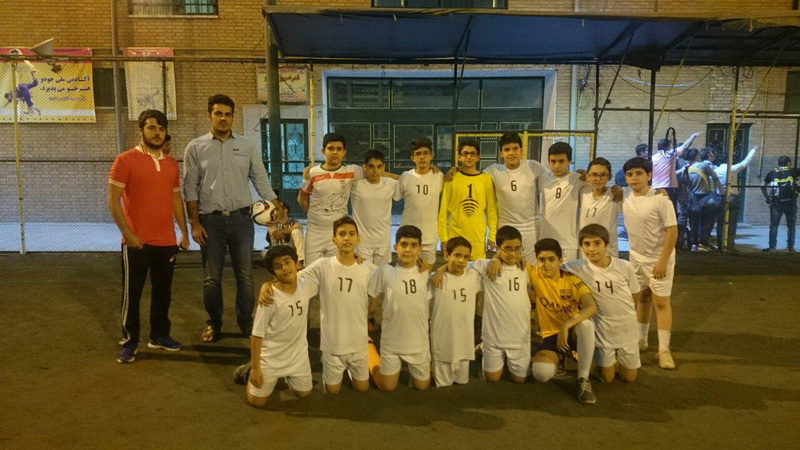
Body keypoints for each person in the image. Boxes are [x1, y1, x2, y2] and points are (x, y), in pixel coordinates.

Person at [183, 94, 278, 343]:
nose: (223, 118)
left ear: (233, 117)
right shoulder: (196, 147)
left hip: (241, 221)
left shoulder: (246, 146)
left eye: (228, 114)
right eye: (218, 113)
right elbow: (190, 188)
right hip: (210, 222)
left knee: (245, 276)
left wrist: (277, 204)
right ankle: (213, 324)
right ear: (209, 115)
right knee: (211, 278)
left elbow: (260, 178)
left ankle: (246, 324)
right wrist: (194, 223)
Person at [108, 109, 189, 363]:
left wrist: (183, 232)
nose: (157, 133)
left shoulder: (171, 163)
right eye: (152, 127)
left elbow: (175, 199)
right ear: (141, 130)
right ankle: (129, 341)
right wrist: (128, 234)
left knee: (163, 293)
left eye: (161, 129)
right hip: (137, 242)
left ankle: (159, 336)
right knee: (132, 295)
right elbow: (113, 201)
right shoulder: (125, 160)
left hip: (166, 241)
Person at [262, 216, 378, 394]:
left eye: (351, 234)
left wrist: (370, 311)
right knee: (332, 391)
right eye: (342, 234)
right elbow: (293, 278)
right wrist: (268, 284)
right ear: (334, 239)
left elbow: (387, 282)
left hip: (358, 343)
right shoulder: (322, 266)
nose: (347, 238)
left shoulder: (369, 268)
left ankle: (367, 347)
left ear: (358, 238)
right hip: (332, 345)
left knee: (362, 388)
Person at [564, 224, 642, 383]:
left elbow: (635, 295)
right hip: (603, 331)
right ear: (581, 246)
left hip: (627, 329)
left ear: (607, 245)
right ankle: (587, 358)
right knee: (607, 378)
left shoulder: (624, 266)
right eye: (586, 244)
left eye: (597, 243)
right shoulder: (576, 268)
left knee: (629, 378)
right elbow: (550, 268)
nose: (592, 249)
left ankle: (614, 361)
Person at [622, 157, 679, 369]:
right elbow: (600, 186)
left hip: (658, 260)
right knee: (642, 299)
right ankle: (641, 339)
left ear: (649, 175)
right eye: (630, 174)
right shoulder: (624, 195)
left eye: (639, 173)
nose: (634, 178)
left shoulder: (661, 200)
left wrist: (662, 261)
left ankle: (664, 350)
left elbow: (672, 231)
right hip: (636, 258)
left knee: (661, 303)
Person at [527, 238, 598, 404]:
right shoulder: (534, 274)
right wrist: (495, 260)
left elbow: (591, 307)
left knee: (586, 325)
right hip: (550, 335)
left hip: (573, 332)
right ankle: (561, 358)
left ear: (560, 260)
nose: (546, 265)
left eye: (551, 259)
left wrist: (565, 326)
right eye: (541, 260)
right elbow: (512, 256)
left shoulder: (572, 280)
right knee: (541, 373)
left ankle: (583, 379)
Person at [246, 245, 314, 406]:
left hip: (298, 357)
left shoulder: (307, 284)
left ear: (297, 263)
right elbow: (256, 335)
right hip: (271, 359)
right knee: (256, 402)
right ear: (273, 273)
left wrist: (355, 257)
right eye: (278, 266)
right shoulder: (269, 297)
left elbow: (332, 267)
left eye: (287, 262)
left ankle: (287, 376)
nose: (284, 268)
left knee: (304, 394)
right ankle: (248, 371)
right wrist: (256, 368)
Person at [367, 225, 432, 392]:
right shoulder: (385, 271)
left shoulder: (426, 273)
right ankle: (369, 349)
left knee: (422, 386)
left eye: (413, 245)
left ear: (420, 249)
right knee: (387, 387)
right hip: (392, 343)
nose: (408, 249)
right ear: (396, 247)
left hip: (418, 343)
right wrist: (368, 317)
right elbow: (372, 295)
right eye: (404, 245)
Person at [471, 226, 531, 384]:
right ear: (498, 249)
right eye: (508, 249)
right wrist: (495, 259)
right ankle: (484, 348)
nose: (513, 253)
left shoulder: (525, 268)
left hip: (519, 337)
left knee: (519, 380)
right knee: (492, 379)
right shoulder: (487, 266)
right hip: (494, 337)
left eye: (517, 248)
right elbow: (461, 265)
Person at [485, 132, 552, 264]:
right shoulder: (493, 171)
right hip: (506, 228)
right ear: (501, 154)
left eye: (515, 148)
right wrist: (456, 170)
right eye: (507, 150)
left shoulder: (533, 166)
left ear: (522, 150)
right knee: (507, 269)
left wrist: (576, 175)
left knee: (530, 269)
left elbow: (555, 179)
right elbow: (473, 177)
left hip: (531, 229)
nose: (511, 153)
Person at [299, 133, 364, 265]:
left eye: (339, 149)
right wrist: (314, 214)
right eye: (330, 148)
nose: (335, 152)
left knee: (335, 271)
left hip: (338, 233)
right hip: (315, 232)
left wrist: (402, 178)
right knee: (312, 272)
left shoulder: (353, 171)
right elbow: (301, 198)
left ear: (344, 152)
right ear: (323, 151)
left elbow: (375, 173)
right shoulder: (312, 173)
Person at [429, 237, 482, 388]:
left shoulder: (473, 276)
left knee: (462, 383)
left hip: (464, 339)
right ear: (447, 255)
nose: (461, 260)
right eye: (457, 255)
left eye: (466, 257)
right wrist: (440, 270)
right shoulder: (435, 279)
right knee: (444, 386)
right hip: (442, 338)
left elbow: (487, 264)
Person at [438, 139, 498, 260]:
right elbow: (443, 212)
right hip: (455, 238)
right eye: (465, 153)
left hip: (477, 240)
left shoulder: (485, 179)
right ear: (459, 157)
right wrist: (443, 239)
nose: (469, 157)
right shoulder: (451, 178)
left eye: (472, 154)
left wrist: (492, 236)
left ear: (478, 157)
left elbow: (492, 211)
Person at [397, 138, 444, 265]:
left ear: (432, 156)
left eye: (426, 153)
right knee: (407, 272)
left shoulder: (439, 176)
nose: (422, 157)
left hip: (429, 236)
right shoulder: (405, 177)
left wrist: (454, 169)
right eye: (418, 154)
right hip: (408, 237)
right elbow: (395, 195)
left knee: (426, 274)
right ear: (412, 158)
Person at [351, 150, 400, 265]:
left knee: (382, 275)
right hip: (362, 242)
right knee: (364, 275)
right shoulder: (355, 185)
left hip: (383, 241)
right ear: (365, 167)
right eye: (371, 166)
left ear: (384, 167)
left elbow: (408, 179)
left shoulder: (391, 184)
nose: (375, 171)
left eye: (379, 167)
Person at [539, 142, 585, 262]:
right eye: (553, 161)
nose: (556, 166)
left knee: (567, 274)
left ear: (569, 161)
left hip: (568, 244)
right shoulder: (543, 178)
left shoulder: (578, 179)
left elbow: (598, 185)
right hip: (546, 239)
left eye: (561, 161)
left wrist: (616, 189)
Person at [712, 146, 758, 251]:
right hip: (732, 197)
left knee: (720, 223)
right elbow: (745, 163)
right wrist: (753, 150)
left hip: (720, 198)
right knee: (732, 223)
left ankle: (720, 244)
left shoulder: (716, 170)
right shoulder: (732, 169)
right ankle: (730, 245)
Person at [580, 157, 621, 257]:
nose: (598, 179)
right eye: (594, 175)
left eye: (603, 175)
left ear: (609, 177)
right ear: (587, 176)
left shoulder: (614, 195)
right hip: (586, 252)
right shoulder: (583, 193)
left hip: (607, 253)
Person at [651, 131, 700, 210]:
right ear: (667, 146)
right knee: (670, 211)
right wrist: (693, 136)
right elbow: (686, 146)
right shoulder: (670, 154)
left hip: (655, 188)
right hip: (668, 188)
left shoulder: (653, 158)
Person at [686, 148, 723, 252]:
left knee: (694, 223)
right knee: (707, 222)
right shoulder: (703, 165)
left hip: (693, 198)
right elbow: (715, 178)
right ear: (697, 156)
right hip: (706, 198)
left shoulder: (688, 168)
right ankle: (703, 242)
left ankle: (694, 244)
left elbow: (687, 184)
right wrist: (721, 192)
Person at [761, 156, 800, 252]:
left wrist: (767, 197)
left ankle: (772, 247)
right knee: (791, 226)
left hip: (776, 203)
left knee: (774, 225)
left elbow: (763, 185)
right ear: (788, 163)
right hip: (791, 203)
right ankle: (790, 247)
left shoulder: (772, 172)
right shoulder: (793, 171)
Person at [262, 199, 304, 267]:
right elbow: (276, 235)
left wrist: (282, 232)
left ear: (285, 211)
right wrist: (290, 230)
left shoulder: (293, 221)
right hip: (277, 249)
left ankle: (301, 260)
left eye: (278, 209)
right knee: (264, 253)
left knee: (296, 232)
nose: (275, 212)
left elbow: (298, 227)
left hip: (291, 249)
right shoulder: (272, 223)